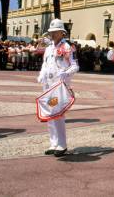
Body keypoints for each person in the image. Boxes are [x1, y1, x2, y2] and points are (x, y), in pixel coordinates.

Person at [38, 19, 78, 157]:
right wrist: (41, 74)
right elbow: (45, 64)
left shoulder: (67, 47)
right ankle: (53, 143)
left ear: (62, 33)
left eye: (56, 32)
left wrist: (66, 73)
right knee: (50, 114)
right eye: (51, 32)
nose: (53, 34)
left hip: (59, 85)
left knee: (58, 114)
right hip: (48, 84)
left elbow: (75, 66)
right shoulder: (49, 48)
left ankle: (62, 144)